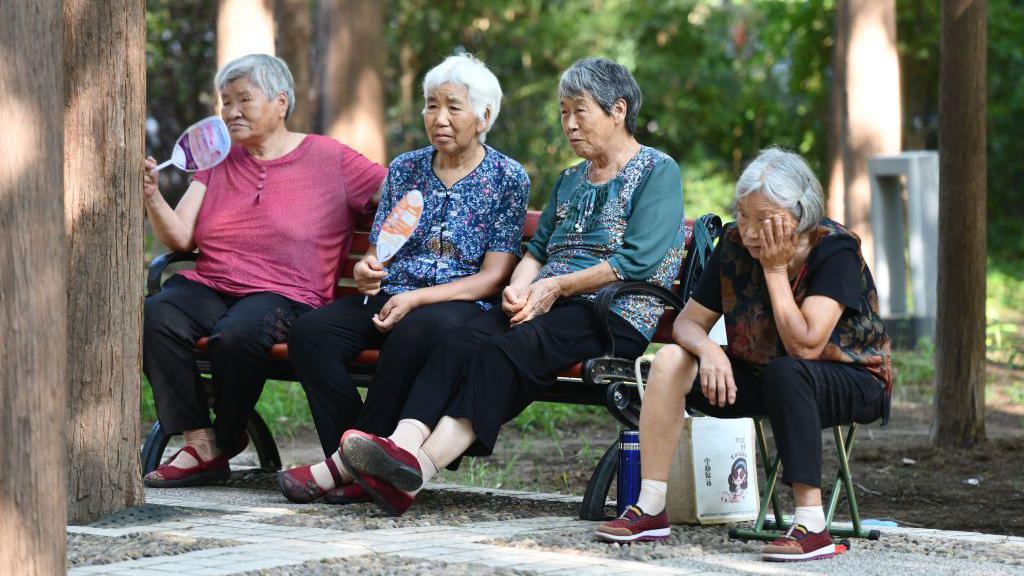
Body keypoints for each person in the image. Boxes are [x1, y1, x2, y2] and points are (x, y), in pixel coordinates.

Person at [294, 57, 687, 517]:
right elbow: (536, 251)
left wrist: (554, 288)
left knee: (502, 351)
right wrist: (519, 289)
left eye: (580, 111)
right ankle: (399, 446)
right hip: (548, 302)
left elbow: (635, 260)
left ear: (618, 110)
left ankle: (414, 471)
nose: (569, 125)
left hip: (611, 310)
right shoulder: (570, 179)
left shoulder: (657, 171)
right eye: (563, 113)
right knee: (459, 340)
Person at [594, 148, 891, 562]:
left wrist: (774, 270)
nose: (749, 231)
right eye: (743, 214)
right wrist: (708, 352)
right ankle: (651, 506)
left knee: (789, 372)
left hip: (850, 377)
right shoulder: (733, 244)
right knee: (670, 360)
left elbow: (806, 345)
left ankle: (812, 525)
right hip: (761, 374)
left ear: (799, 213)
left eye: (762, 218)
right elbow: (686, 324)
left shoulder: (834, 250)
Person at [277, 54, 530, 505]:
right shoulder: (407, 168)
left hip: (458, 303)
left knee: (415, 330)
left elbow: (493, 278)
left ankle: (344, 468)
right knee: (311, 334)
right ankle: (362, 459)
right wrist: (366, 269)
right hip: (393, 293)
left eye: (454, 107)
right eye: (432, 106)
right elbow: (379, 250)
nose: (440, 118)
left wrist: (418, 299)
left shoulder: (507, 178)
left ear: (484, 116)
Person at [142, 54, 387, 487]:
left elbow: (400, 192)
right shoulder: (217, 160)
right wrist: (152, 196)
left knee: (238, 335)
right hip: (214, 283)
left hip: (287, 295)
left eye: (244, 100)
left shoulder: (331, 159)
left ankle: (227, 435)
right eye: (225, 101)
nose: (231, 112)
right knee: (156, 314)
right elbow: (180, 239)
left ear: (280, 102)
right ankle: (200, 443)